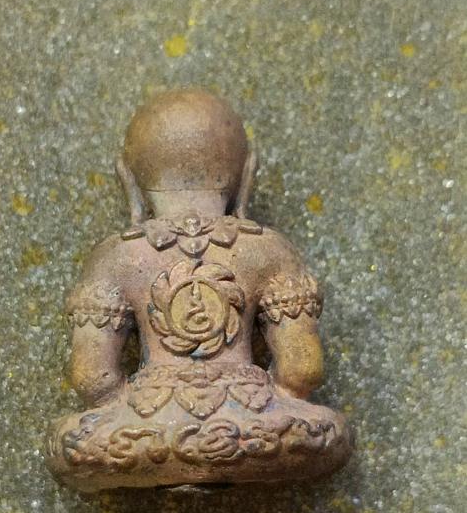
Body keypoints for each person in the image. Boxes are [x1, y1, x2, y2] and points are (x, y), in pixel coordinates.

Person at [46, 88, 352, 491]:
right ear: (248, 175)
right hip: (254, 430)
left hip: (148, 432)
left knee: (71, 441)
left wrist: (135, 409)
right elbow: (302, 372)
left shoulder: (114, 256)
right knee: (325, 430)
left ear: (128, 179)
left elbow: (92, 379)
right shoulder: (270, 249)